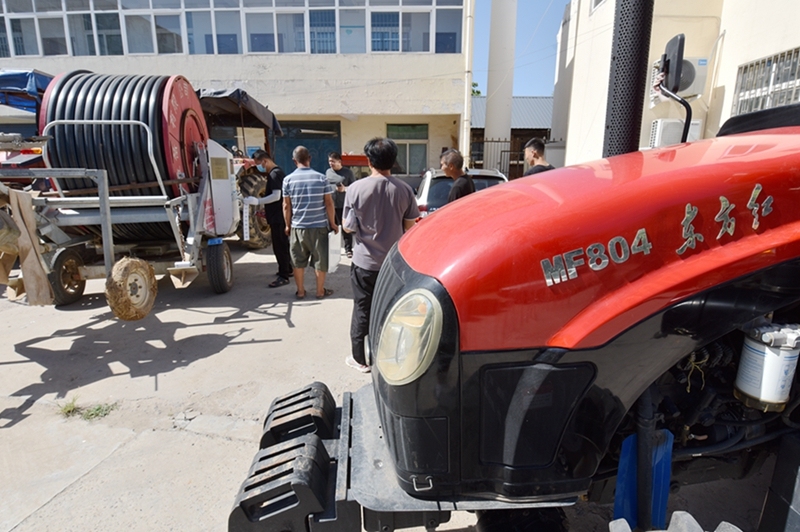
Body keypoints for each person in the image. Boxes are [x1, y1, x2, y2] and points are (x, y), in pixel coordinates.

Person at [342, 138, 420, 373]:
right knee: (392, 309)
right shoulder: (405, 190)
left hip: (364, 262)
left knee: (362, 309)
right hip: (394, 264)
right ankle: (391, 356)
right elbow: (409, 227)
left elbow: (348, 227)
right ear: (393, 161)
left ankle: (361, 359)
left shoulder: (355, 189)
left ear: (369, 161)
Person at [282, 146, 339, 299]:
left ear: (294, 161)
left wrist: (287, 225)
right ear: (309, 159)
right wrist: (333, 223)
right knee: (320, 260)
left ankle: (300, 291)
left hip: (297, 227)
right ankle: (320, 291)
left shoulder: (288, 180)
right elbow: (329, 203)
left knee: (297, 261)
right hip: (319, 227)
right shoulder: (322, 178)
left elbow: (286, 205)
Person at [252, 150, 293, 288]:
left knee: (280, 246)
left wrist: (258, 201)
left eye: (259, 164)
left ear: (265, 161)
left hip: (278, 217)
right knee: (283, 244)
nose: (259, 167)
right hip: (277, 215)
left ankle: (284, 275)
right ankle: (288, 268)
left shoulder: (275, 174)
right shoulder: (276, 173)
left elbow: (276, 196)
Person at [326, 152, 356, 258]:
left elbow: (354, 188)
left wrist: (344, 189)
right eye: (329, 161)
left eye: (333, 161)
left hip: (344, 205)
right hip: (331, 205)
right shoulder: (328, 172)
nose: (331, 163)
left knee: (345, 228)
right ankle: (331, 250)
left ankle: (348, 249)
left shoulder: (348, 173)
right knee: (331, 228)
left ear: (339, 161)